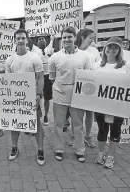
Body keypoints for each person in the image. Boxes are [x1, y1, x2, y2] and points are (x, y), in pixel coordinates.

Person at [48, 26, 92, 163]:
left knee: (78, 125)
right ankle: (59, 149)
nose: (67, 39)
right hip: (59, 96)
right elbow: (52, 77)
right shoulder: (55, 57)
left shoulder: (85, 56)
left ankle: (79, 150)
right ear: (61, 39)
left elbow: (88, 76)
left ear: (75, 38)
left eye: (69, 37)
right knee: (58, 125)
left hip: (77, 96)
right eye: (64, 37)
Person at [4, 29, 46, 165]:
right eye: (18, 38)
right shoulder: (9, 60)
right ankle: (15, 148)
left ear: (27, 40)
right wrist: (5, 99)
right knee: (14, 124)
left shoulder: (35, 58)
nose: (20, 40)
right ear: (14, 41)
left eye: (23, 38)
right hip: (15, 99)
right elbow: (7, 81)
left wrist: (39, 95)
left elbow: (40, 78)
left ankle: (40, 150)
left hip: (31, 97)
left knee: (37, 124)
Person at [93, 37, 130, 169]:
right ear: (105, 48)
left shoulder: (127, 65)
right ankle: (101, 152)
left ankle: (110, 155)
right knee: (102, 130)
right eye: (109, 47)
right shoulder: (96, 66)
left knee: (115, 130)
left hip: (118, 106)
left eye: (115, 47)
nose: (112, 50)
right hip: (101, 105)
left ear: (120, 50)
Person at [64, 28, 101, 148]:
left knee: (89, 112)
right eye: (90, 38)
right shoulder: (73, 49)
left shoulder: (94, 51)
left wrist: (91, 68)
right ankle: (75, 135)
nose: (92, 40)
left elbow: (100, 64)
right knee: (75, 112)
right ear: (82, 38)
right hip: (75, 85)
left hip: (91, 85)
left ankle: (88, 135)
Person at [31, 34, 54, 126]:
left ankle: (46, 115)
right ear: (37, 42)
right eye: (39, 39)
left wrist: (52, 37)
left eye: (43, 39)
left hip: (48, 77)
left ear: (46, 41)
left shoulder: (50, 48)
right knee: (38, 97)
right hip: (38, 77)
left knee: (47, 98)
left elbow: (52, 39)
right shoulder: (34, 50)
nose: (41, 41)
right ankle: (37, 116)